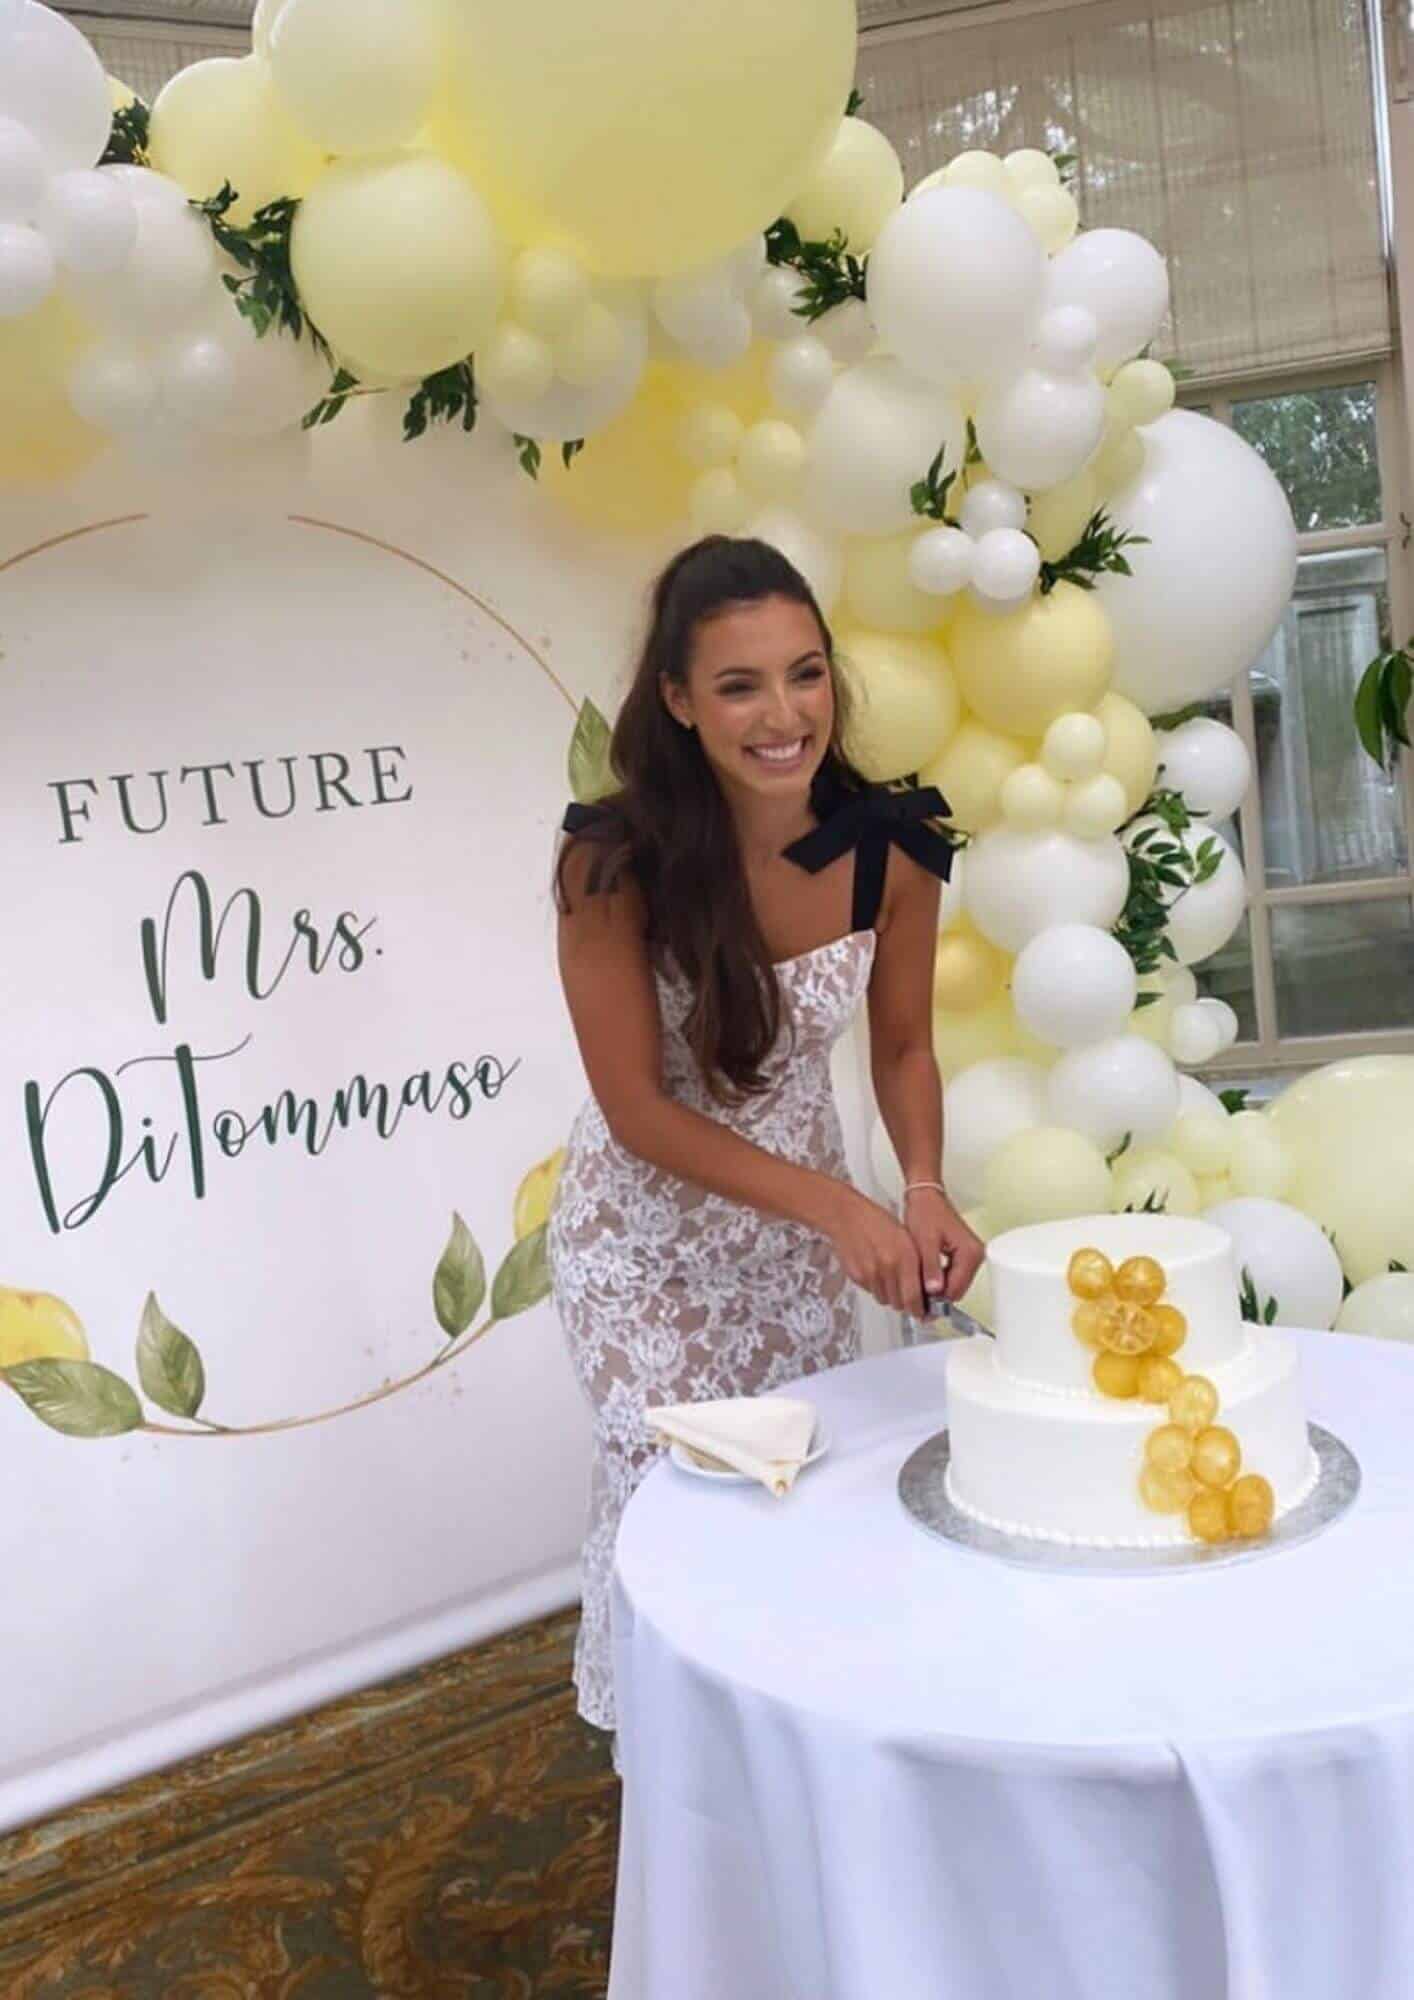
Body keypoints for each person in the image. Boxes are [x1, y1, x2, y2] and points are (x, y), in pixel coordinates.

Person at [547, 534, 985, 1750]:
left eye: (804, 673)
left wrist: (920, 1185)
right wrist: (840, 1206)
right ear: (680, 701)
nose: (784, 715)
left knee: (799, 1505)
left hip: (795, 1250)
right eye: (739, 685)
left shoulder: (894, 843)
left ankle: (789, 1773)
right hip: (641, 1249)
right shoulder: (612, 858)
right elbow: (637, 1109)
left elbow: (905, 1045)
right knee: (671, 1511)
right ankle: (673, 1782)